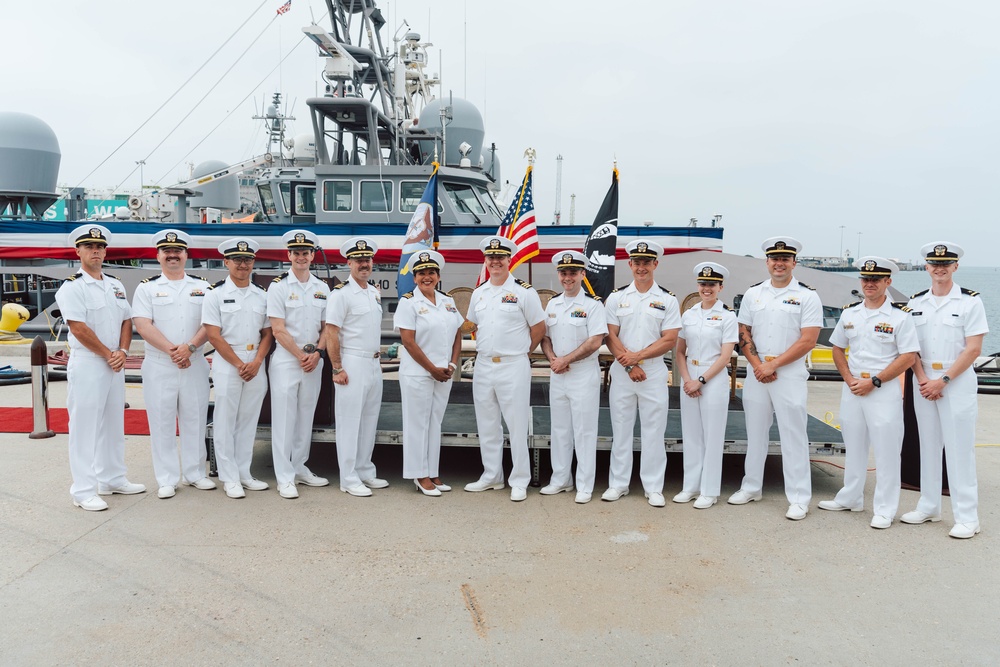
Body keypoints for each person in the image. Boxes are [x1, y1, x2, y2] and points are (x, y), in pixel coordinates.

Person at [818, 257, 919, 529]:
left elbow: (908, 356)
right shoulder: (850, 314)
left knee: (887, 452)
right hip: (852, 388)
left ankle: (885, 509)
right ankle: (851, 498)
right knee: (854, 446)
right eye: (865, 279)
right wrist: (849, 378)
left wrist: (874, 381)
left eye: (876, 279)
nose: (869, 283)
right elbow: (837, 348)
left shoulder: (900, 316)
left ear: (888, 282)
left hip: (882, 390)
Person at [729, 236, 822, 521]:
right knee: (755, 432)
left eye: (784, 259)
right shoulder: (753, 294)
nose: (779, 263)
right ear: (767, 262)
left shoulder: (808, 296)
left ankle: (799, 498)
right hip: (758, 372)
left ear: (794, 263)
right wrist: (759, 365)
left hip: (788, 374)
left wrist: (773, 365)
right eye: (774, 259)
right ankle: (751, 486)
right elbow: (744, 332)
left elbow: (808, 340)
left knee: (793, 435)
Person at [901, 242, 989, 539]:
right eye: (935, 264)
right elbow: (910, 347)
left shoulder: (970, 302)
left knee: (959, 449)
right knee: (927, 446)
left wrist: (944, 380)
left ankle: (968, 517)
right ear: (927, 267)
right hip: (924, 379)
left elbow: (973, 349)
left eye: (946, 263)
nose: (940, 268)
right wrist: (923, 379)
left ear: (955, 267)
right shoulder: (916, 302)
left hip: (956, 381)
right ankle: (929, 506)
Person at [55, 224, 145, 511]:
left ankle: (112, 478)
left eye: (100, 247)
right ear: (78, 251)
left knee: (113, 424)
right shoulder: (72, 287)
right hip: (89, 362)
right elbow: (78, 328)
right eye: (89, 247)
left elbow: (127, 320)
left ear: (105, 252)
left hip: (114, 361)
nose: (96, 251)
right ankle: (83, 491)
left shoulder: (115, 285)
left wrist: (123, 351)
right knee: (84, 427)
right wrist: (109, 353)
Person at [132, 229, 214, 499]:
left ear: (186, 255)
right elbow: (143, 324)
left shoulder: (203, 288)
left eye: (178, 251)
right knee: (161, 422)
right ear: (158, 256)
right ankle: (167, 478)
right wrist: (174, 352)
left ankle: (195, 473)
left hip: (194, 361)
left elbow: (210, 323)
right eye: (167, 251)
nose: (172, 255)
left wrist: (189, 348)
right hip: (160, 364)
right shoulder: (147, 288)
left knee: (195, 419)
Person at [463, 236, 546, 502]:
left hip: (513, 365)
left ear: (510, 259)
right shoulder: (479, 292)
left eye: (500, 257)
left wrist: (522, 352)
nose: (495, 261)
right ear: (485, 261)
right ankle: (492, 476)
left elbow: (539, 328)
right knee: (487, 424)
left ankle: (519, 479)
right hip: (484, 365)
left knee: (517, 424)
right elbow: (473, 325)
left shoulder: (524, 292)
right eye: (491, 257)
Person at [602, 240, 681, 507]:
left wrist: (638, 357)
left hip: (653, 372)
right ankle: (618, 484)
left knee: (654, 432)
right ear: (630, 264)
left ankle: (654, 487)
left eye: (646, 262)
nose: (641, 267)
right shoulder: (617, 297)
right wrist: (629, 364)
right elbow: (609, 335)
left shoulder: (667, 300)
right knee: (621, 429)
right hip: (623, 372)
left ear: (655, 264)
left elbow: (670, 339)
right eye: (637, 262)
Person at [201, 237, 273, 499]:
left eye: (248, 259)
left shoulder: (262, 295)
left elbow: (268, 333)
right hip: (229, 361)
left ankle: (244, 473)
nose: (243, 264)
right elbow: (213, 334)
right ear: (226, 262)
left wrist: (257, 362)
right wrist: (239, 364)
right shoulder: (215, 294)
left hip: (256, 361)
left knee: (248, 420)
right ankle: (229, 477)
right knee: (225, 421)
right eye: (237, 259)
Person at [539, 250, 608, 504]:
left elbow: (595, 341)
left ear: (582, 274)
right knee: (559, 429)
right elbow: (545, 337)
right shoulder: (553, 304)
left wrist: (565, 360)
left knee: (584, 431)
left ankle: (585, 484)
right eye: (563, 273)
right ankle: (561, 479)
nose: (567, 277)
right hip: (558, 373)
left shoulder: (593, 305)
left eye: (573, 273)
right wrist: (553, 359)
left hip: (582, 373)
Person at [266, 229, 331, 500]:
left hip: (313, 360)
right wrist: (300, 355)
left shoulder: (322, 288)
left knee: (306, 417)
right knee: (284, 419)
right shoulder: (279, 287)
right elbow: (277, 329)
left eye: (305, 252)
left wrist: (318, 353)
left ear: (313, 256)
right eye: (296, 253)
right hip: (286, 360)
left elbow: (328, 327)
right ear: (289, 255)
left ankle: (300, 467)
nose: (301, 257)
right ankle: (284, 477)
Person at [393, 250, 463, 497]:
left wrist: (452, 364)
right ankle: (419, 474)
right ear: (414, 277)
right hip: (418, 374)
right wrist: (432, 369)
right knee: (417, 424)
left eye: (431, 272)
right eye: (422, 273)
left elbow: (457, 333)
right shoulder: (408, 302)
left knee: (434, 423)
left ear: (438, 276)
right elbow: (408, 341)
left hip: (443, 373)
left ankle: (432, 471)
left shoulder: (447, 301)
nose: (427, 277)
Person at [325, 236, 388, 497]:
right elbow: (331, 332)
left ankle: (364, 470)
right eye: (359, 259)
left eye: (367, 259)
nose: (364, 264)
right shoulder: (341, 294)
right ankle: (348, 478)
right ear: (349, 263)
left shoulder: (373, 292)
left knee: (369, 421)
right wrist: (337, 367)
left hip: (373, 363)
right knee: (349, 422)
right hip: (351, 362)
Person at [674, 261, 738, 509]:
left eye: (712, 284)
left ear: (720, 287)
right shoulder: (688, 315)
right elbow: (680, 352)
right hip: (689, 376)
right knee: (691, 435)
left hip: (713, 377)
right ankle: (691, 486)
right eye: (703, 284)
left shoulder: (728, 316)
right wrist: (688, 380)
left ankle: (709, 491)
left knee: (712, 437)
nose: (706, 288)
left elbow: (725, 356)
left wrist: (700, 381)